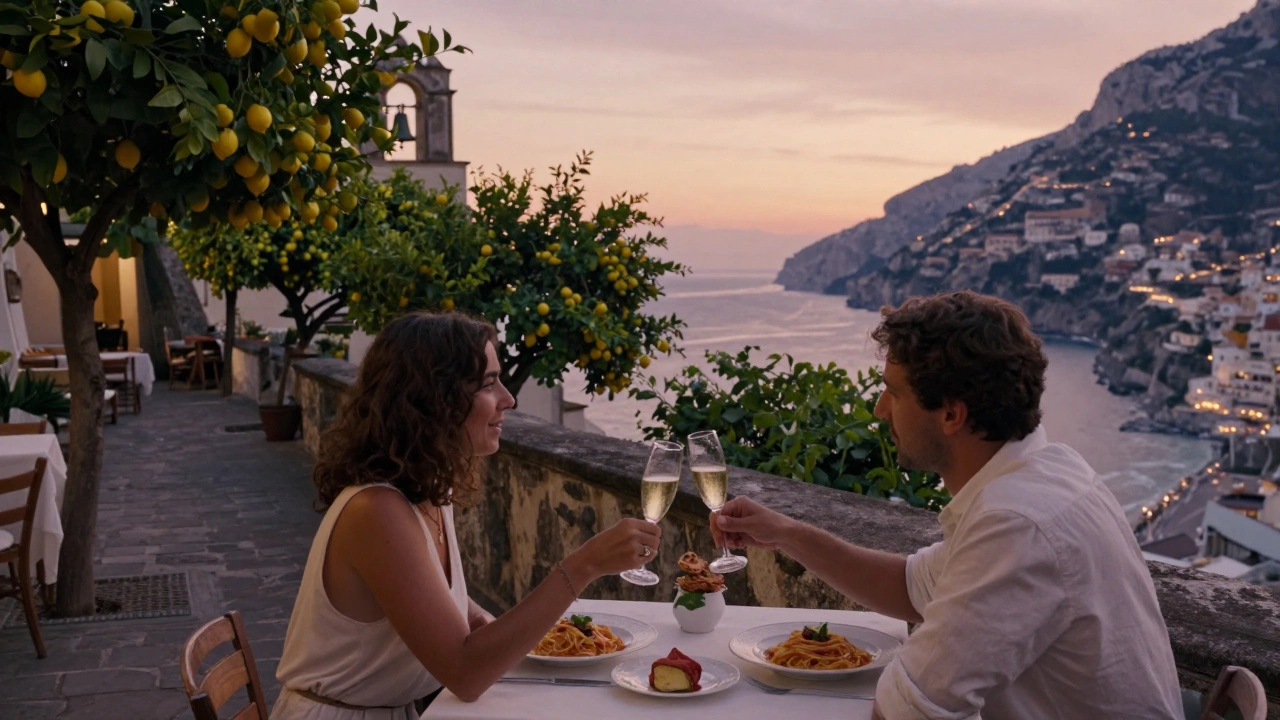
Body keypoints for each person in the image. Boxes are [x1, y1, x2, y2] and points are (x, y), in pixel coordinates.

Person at [712, 291, 1183, 720]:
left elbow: (907, 711)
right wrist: (787, 534)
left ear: (952, 414)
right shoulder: (1048, 472)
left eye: (893, 392)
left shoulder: (1017, 523)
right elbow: (909, 588)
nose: (879, 409)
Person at [272, 312, 661, 718]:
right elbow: (465, 674)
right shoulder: (377, 511)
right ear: (434, 398)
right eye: (489, 383)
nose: (508, 399)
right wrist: (585, 565)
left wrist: (489, 627)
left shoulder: (427, 488)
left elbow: (438, 603)